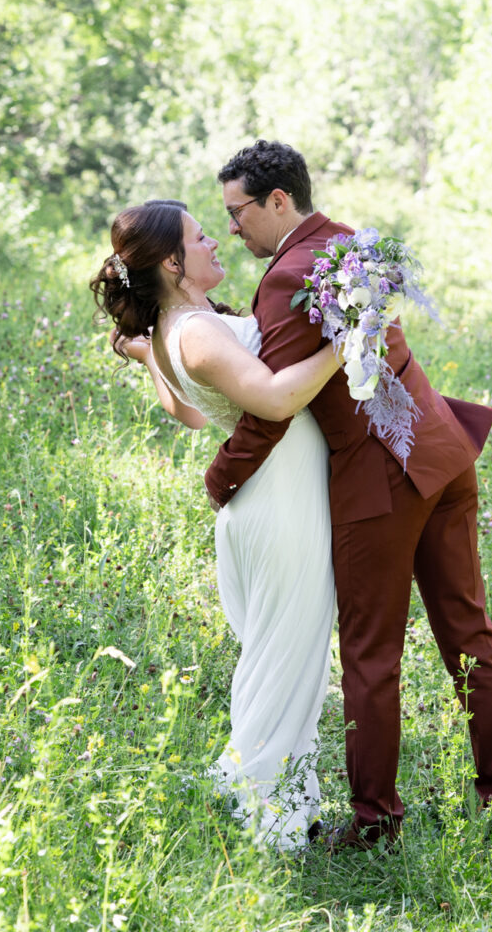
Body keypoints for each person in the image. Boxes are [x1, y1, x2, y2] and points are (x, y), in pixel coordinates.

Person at [204, 140, 492, 850]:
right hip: (441, 449)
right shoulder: (348, 243)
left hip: (380, 480)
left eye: (237, 212)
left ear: (278, 201)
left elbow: (272, 406)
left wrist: (222, 477)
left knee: (369, 655)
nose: (231, 227)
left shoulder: (289, 274)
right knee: (470, 637)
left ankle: (377, 823)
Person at [91, 199, 339, 850]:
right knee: (285, 662)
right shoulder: (195, 333)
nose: (215, 243)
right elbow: (279, 398)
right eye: (201, 238)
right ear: (174, 263)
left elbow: (196, 415)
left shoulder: (182, 326)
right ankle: (271, 825)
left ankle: (259, 793)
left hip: (268, 499)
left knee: (281, 660)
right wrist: (350, 344)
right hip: (280, 505)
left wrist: (145, 356)